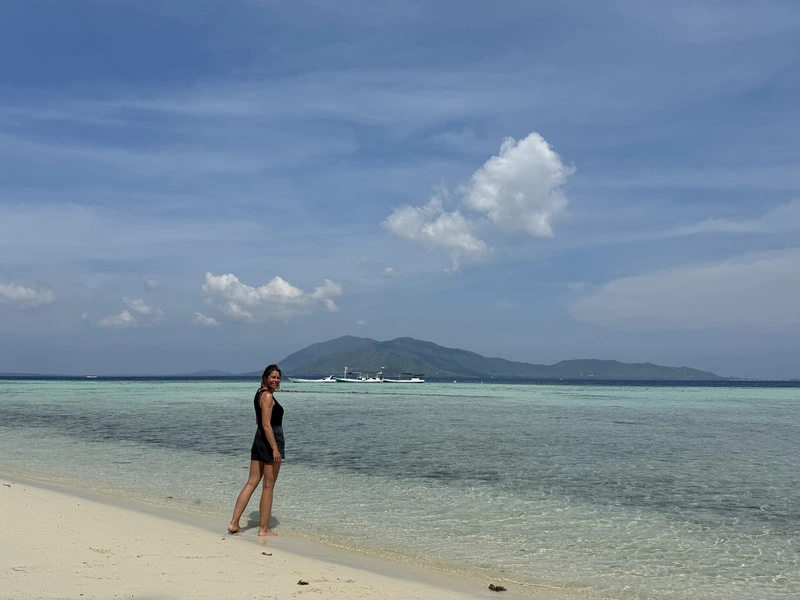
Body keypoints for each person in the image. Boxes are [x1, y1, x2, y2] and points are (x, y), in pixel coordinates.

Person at [228, 364, 285, 536]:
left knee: (251, 482)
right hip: (270, 439)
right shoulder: (267, 396)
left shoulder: (259, 394)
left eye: (278, 377)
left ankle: (234, 524)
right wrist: (275, 448)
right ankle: (264, 529)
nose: (275, 380)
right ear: (265, 378)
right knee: (268, 486)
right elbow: (267, 424)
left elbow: (258, 421)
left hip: (259, 438)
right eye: (272, 377)